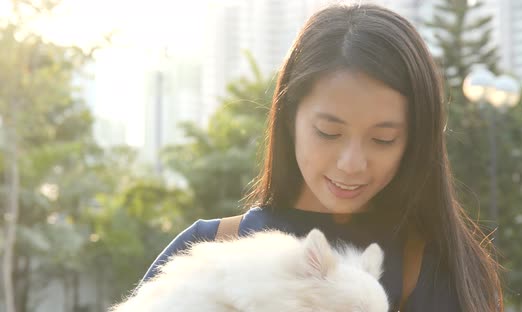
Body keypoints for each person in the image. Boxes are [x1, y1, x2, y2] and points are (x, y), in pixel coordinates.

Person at [137, 3, 502, 312]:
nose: (351, 163)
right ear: (288, 119)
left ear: (415, 142)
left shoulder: (436, 267)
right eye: (329, 133)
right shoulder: (207, 248)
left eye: (383, 138)